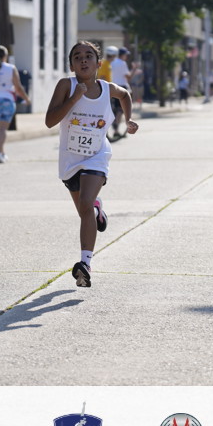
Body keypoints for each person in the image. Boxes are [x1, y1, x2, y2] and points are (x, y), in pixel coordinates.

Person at [45, 40, 139, 288]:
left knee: (85, 203)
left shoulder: (107, 89)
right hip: (70, 161)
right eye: (77, 57)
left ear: (98, 63)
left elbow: (125, 95)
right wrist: (74, 98)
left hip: (97, 155)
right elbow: (50, 121)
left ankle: (85, 264)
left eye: (89, 56)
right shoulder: (66, 86)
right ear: (71, 65)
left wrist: (128, 119)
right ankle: (97, 210)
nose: (83, 60)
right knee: (85, 211)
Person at [109, 47, 132, 140]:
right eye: (126, 55)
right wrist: (134, 69)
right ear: (123, 55)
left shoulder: (112, 62)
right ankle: (116, 128)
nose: (126, 57)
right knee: (120, 109)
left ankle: (115, 129)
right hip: (122, 87)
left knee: (114, 109)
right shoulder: (123, 63)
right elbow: (128, 77)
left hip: (113, 87)